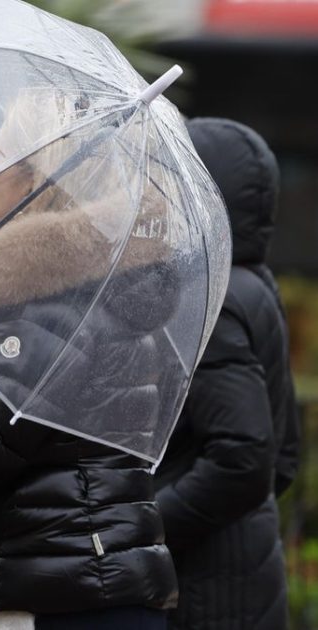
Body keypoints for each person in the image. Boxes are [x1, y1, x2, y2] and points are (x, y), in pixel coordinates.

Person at [0, 90, 179, 629]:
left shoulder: (54, 310)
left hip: (55, 601)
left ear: (39, 179)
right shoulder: (68, 295)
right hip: (69, 590)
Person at [153, 117, 299, 630]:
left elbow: (243, 459)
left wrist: (143, 526)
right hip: (239, 571)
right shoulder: (253, 285)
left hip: (206, 590)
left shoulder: (210, 296)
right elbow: (281, 458)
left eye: (167, 174)